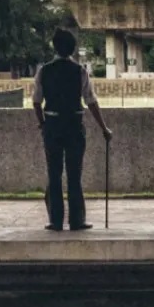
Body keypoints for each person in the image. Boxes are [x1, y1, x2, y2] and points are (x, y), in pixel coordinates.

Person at [30, 28, 113, 232]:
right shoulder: (80, 71)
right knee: (74, 174)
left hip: (53, 126)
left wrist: (43, 124)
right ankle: (77, 220)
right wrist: (104, 127)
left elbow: (36, 101)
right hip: (75, 126)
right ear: (73, 48)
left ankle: (55, 220)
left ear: (55, 47)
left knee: (54, 173)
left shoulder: (44, 71)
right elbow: (91, 101)